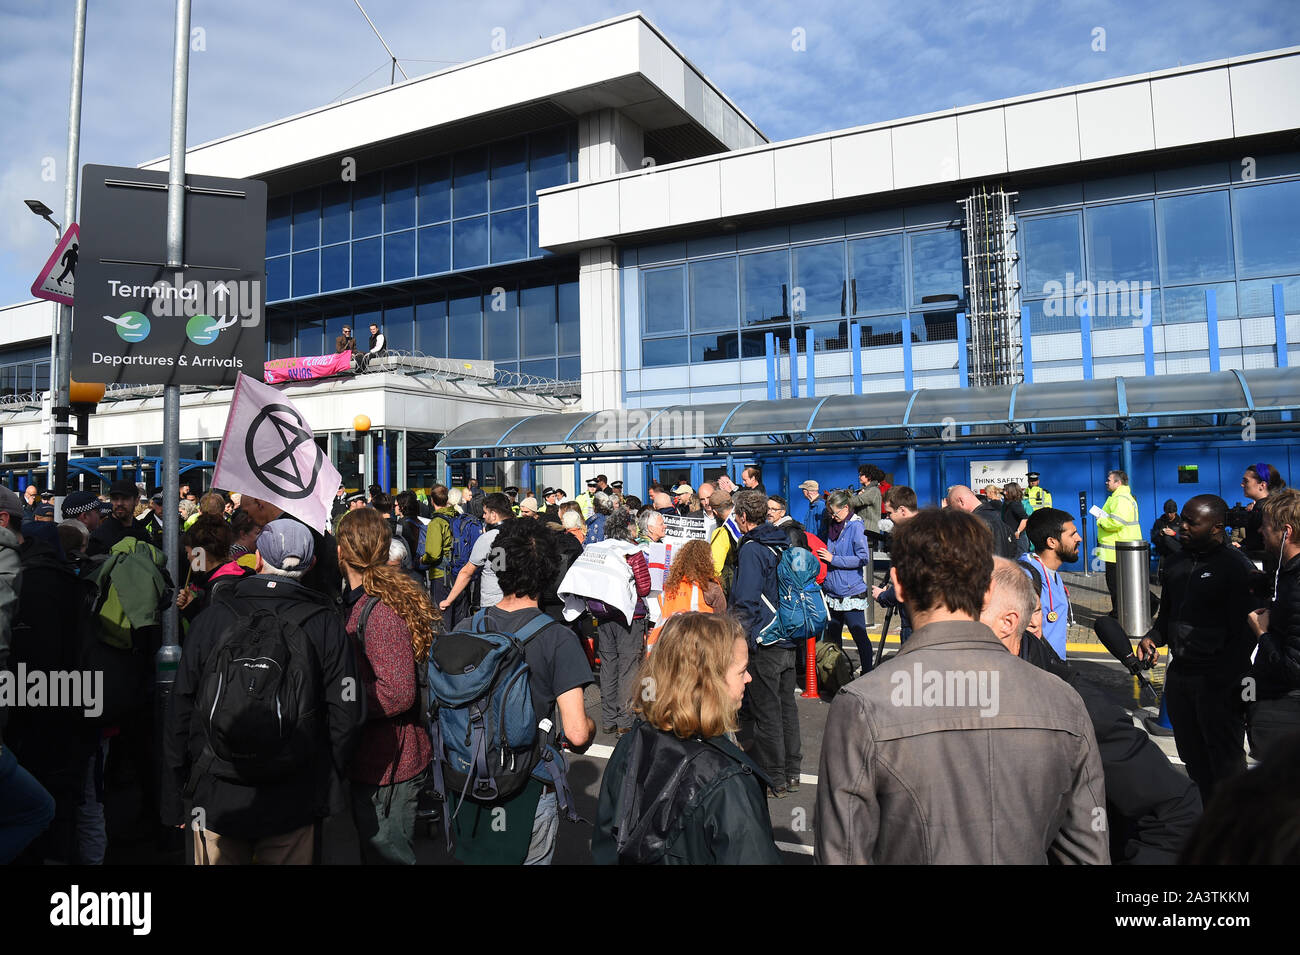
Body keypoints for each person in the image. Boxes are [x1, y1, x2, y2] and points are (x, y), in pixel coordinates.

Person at [815, 507, 1109, 864]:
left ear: (899, 584)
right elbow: (1087, 850)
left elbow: (842, 852)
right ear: (988, 589)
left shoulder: (862, 705)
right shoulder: (1062, 700)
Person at [163, 520, 363, 865]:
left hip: (215, 793)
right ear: (312, 564)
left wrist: (175, 791)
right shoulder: (326, 624)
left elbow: (181, 705)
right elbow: (346, 712)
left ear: (256, 560)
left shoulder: (212, 618)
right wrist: (327, 786)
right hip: (293, 795)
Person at [982, 558, 1202, 865]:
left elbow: (1174, 810)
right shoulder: (920, 692)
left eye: (1035, 609)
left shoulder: (1073, 703)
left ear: (1014, 620)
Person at [448, 518, 594, 864]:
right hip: (527, 781)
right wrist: (591, 729)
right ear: (548, 573)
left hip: (467, 777)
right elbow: (576, 734)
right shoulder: (558, 638)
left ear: (499, 571)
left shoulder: (467, 626)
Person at [592, 612, 780, 864]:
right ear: (709, 683)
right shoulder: (728, 783)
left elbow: (606, 841)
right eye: (742, 671)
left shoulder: (632, 743)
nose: (749, 678)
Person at [1137, 494, 1263, 804]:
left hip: (1219, 681)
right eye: (1183, 519)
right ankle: (1203, 820)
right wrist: (1153, 636)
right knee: (1192, 758)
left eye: (1193, 522)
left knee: (1225, 761)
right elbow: (1168, 615)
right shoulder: (1176, 561)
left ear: (1217, 526)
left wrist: (1225, 676)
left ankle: (1232, 829)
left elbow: (1248, 630)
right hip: (1181, 678)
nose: (1183, 526)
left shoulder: (1235, 566)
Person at [337, 508, 437, 865]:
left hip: (390, 761)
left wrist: (340, 696)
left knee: (388, 856)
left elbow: (397, 692)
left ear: (341, 552)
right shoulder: (359, 601)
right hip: (374, 759)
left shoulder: (379, 611)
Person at [730, 488, 800, 798]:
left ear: (743, 517)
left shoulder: (751, 549)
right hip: (787, 633)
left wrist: (739, 640)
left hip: (763, 639)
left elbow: (746, 600)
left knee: (766, 709)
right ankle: (792, 771)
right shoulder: (782, 541)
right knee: (787, 706)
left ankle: (775, 777)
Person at [1244, 488, 1300, 760]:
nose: (1260, 533)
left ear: (1286, 532)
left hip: (1287, 717)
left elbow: (1294, 668)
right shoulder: (1286, 573)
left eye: (1265, 526)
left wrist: (1262, 632)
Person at [591, 509, 652, 735]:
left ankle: (608, 720)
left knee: (608, 667)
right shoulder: (632, 552)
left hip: (604, 616)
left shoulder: (598, 550)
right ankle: (625, 722)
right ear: (629, 528)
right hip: (629, 617)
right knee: (628, 669)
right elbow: (644, 587)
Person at [240, 493, 343, 608]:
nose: (248, 519)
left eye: (246, 512)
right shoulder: (300, 525)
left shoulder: (294, 532)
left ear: (259, 503)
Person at [816, 490, 875, 674]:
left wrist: (834, 559)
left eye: (835, 512)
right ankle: (837, 674)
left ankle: (867, 671)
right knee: (833, 638)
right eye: (830, 513)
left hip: (850, 591)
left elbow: (863, 558)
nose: (833, 516)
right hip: (832, 590)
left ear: (846, 508)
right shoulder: (833, 525)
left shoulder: (856, 527)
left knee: (859, 635)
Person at [1019, 507, 1081, 660]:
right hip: (1038, 672)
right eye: (1072, 534)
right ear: (1052, 542)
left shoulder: (1050, 572)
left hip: (1054, 668)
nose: (1078, 538)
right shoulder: (1025, 577)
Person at [439, 492, 512, 617]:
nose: (483, 516)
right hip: (520, 603)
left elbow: (467, 573)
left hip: (493, 604)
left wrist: (448, 600)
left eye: (485, 513)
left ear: (494, 515)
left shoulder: (488, 538)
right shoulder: (525, 535)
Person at [649, 538, 726, 650]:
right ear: (704, 561)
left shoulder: (671, 587)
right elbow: (721, 623)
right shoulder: (711, 588)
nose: (713, 561)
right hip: (700, 647)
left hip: (669, 645)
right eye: (711, 557)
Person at [872, 485, 918, 644]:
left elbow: (909, 582)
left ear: (903, 510)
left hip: (914, 619)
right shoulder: (932, 530)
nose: (888, 518)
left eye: (890, 513)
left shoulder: (911, 538)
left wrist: (883, 597)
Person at [1095, 469, 1141, 616]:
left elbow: (1116, 522)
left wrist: (1101, 521)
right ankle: (1118, 612)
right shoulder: (1119, 497)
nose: (1106, 482)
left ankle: (1119, 614)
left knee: (1116, 585)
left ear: (1118, 482)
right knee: (1122, 584)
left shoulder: (1120, 499)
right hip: (1118, 550)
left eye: (1109, 480)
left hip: (1117, 550)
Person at [1228, 462, 1286, 563]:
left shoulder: (1264, 509)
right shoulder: (1274, 505)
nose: (1242, 485)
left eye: (1246, 481)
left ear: (1262, 485)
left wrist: (1243, 550)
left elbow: (1261, 546)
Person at [947, 484, 1017, 558]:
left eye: (953, 507)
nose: (954, 512)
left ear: (961, 501)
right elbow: (1013, 549)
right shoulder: (998, 515)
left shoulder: (973, 524)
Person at [88, 479, 149, 557]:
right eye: (115, 498)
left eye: (125, 498)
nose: (119, 503)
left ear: (136, 500)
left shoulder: (142, 533)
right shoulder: (99, 537)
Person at [1150, 498, 1184, 571]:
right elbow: (1153, 538)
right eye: (1167, 512)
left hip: (1177, 551)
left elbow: (1185, 539)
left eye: (1171, 513)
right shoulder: (1159, 522)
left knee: (1167, 538)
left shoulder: (1181, 523)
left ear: (1175, 512)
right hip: (1164, 551)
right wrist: (1160, 533)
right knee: (1165, 539)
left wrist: (1174, 533)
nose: (1169, 515)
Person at [850, 464, 883, 534]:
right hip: (864, 529)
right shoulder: (865, 490)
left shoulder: (873, 491)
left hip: (869, 531)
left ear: (869, 476)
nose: (859, 477)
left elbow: (855, 501)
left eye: (861, 475)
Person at [1001, 482, 1030, 554]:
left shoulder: (1015, 504)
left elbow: (1025, 519)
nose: (1004, 492)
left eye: (1006, 490)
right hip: (1010, 538)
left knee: (1018, 562)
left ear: (1011, 492)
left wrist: (1018, 532)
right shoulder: (1007, 504)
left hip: (1018, 540)